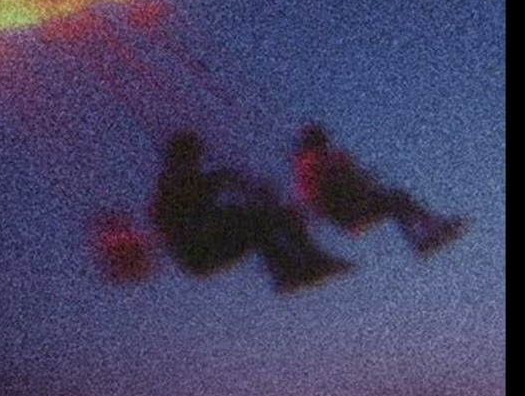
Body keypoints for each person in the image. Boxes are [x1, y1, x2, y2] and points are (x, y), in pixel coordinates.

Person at [151, 130, 352, 293]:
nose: (199, 159)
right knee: (261, 221)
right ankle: (300, 266)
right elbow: (190, 214)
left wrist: (249, 192)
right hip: (200, 251)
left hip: (201, 250)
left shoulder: (188, 181)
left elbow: (222, 188)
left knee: (261, 225)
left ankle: (294, 269)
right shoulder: (177, 183)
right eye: (195, 154)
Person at [293, 123, 466, 256]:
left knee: (396, 200)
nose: (326, 145)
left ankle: (424, 235)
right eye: (323, 141)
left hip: (357, 206)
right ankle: (425, 235)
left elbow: (359, 178)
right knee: (395, 200)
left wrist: (361, 176)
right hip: (348, 213)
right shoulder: (311, 164)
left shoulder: (330, 158)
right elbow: (315, 198)